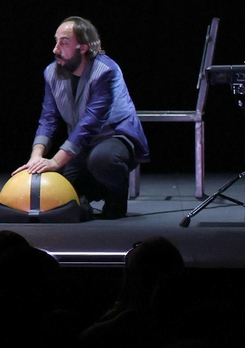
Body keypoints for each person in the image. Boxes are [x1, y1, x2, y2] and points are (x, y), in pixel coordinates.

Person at [15, 16, 148, 218]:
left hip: (115, 137)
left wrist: (56, 160)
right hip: (81, 145)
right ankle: (94, 190)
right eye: (56, 40)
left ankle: (116, 198)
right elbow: (48, 118)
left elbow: (91, 123)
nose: (55, 48)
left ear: (83, 48)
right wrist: (37, 156)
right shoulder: (51, 72)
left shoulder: (106, 71)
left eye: (64, 42)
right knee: (62, 192)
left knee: (102, 160)